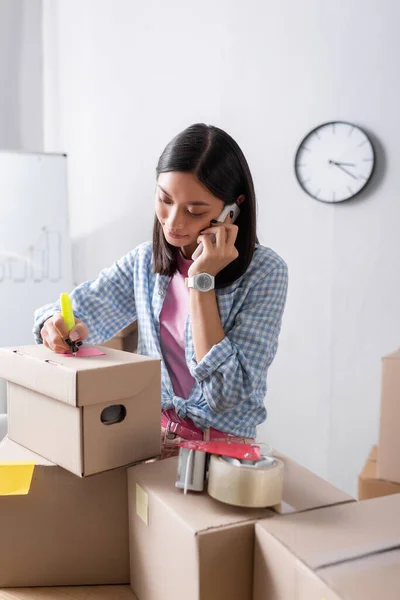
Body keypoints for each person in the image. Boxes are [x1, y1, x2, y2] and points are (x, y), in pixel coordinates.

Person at [33, 123, 288, 459]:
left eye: (195, 211)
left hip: (223, 453)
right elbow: (75, 310)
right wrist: (54, 323)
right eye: (165, 200)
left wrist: (201, 280)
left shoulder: (266, 272)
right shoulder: (144, 262)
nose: (174, 222)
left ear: (233, 208)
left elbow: (227, 394)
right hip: (150, 440)